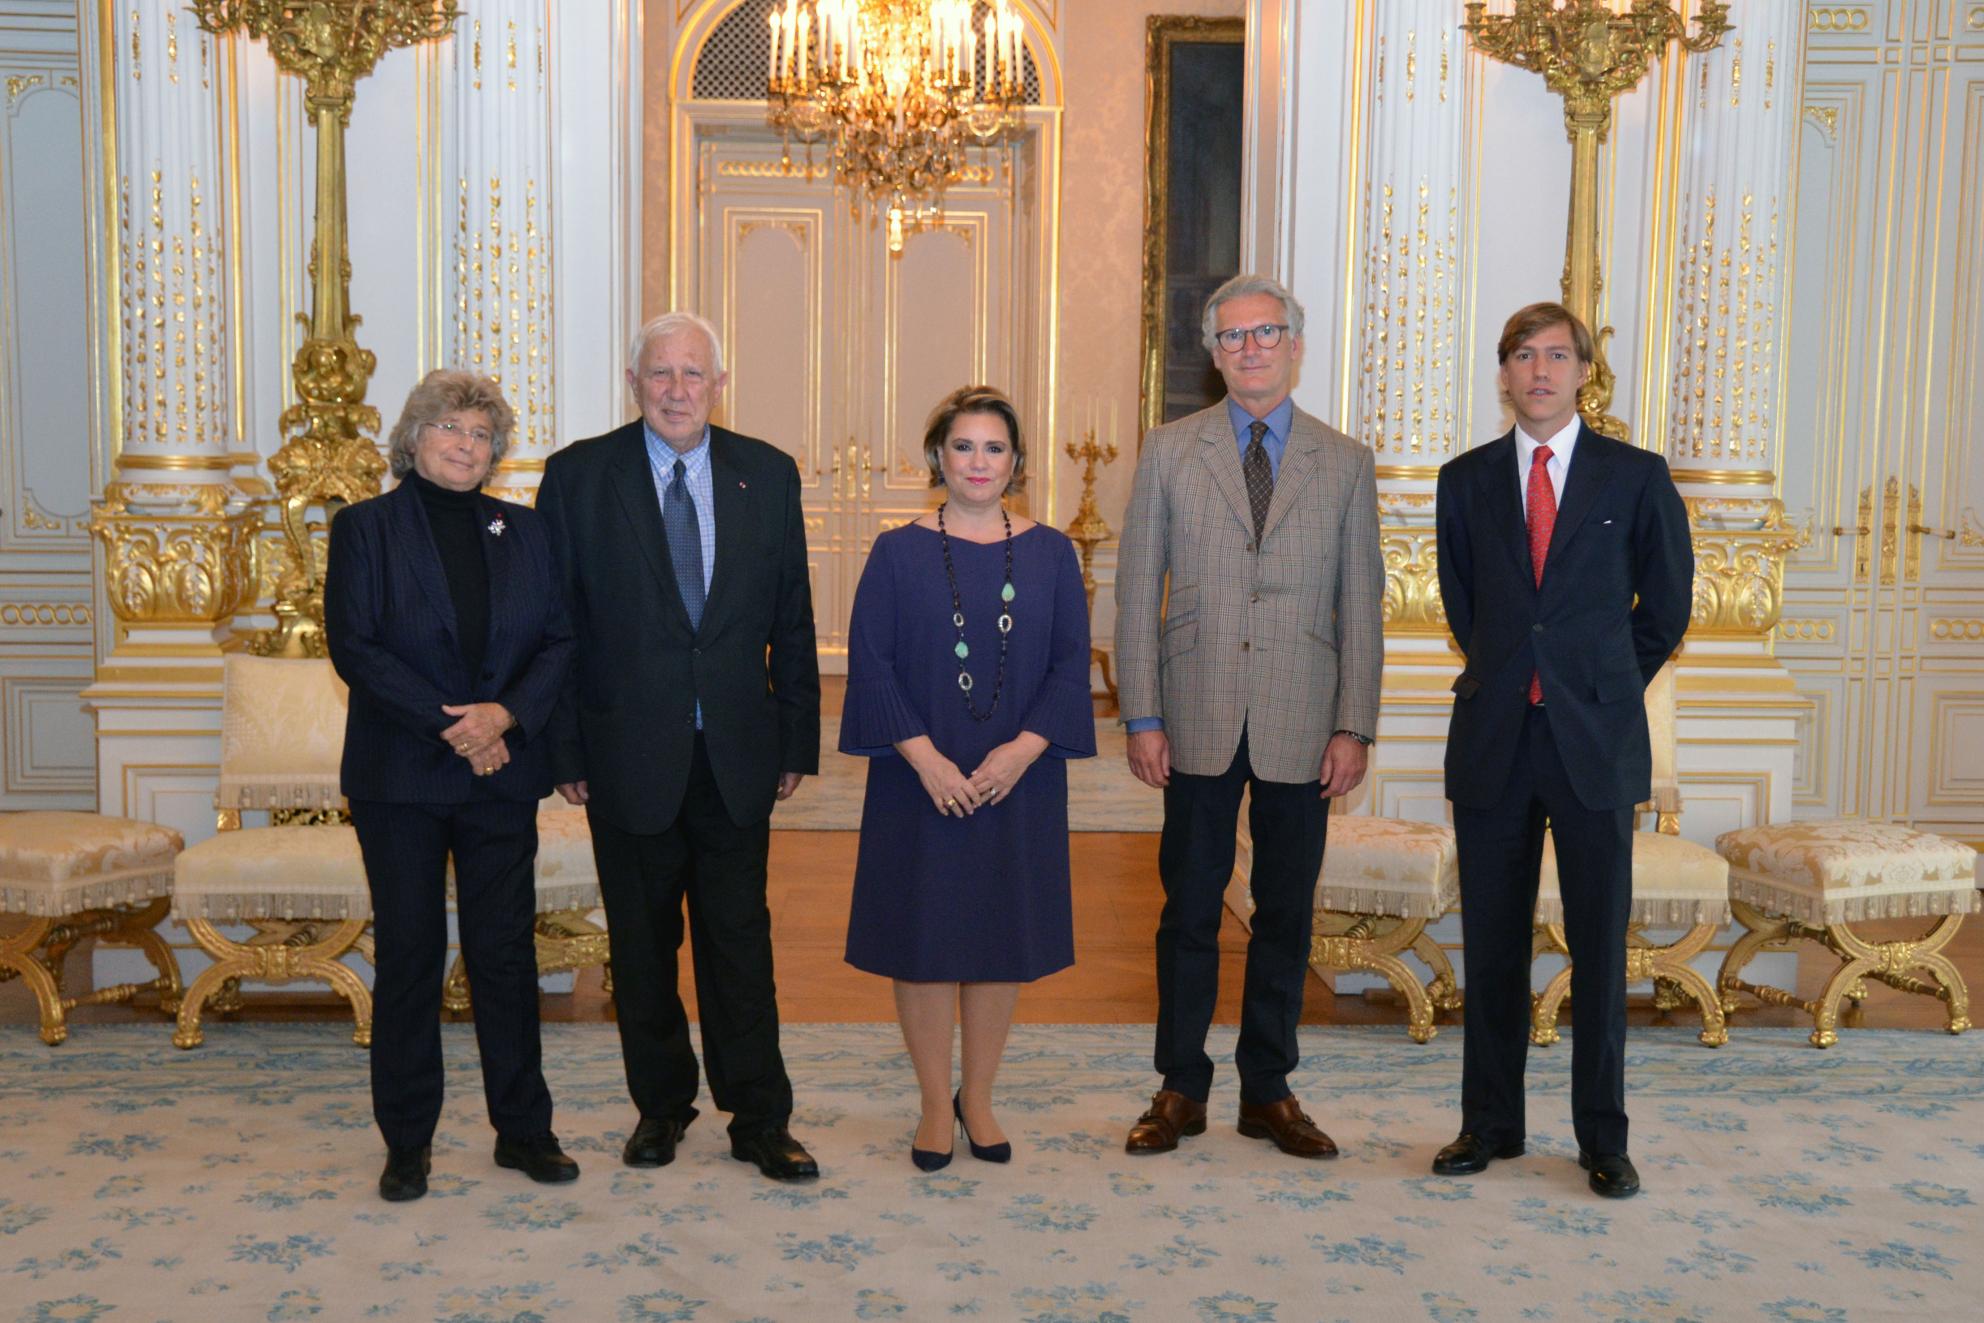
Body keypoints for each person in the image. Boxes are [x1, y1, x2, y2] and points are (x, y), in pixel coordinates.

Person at [535, 312, 823, 1181]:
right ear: (634, 384)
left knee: (741, 942)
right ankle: (661, 1106)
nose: (676, 389)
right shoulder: (580, 477)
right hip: (627, 755)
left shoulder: (766, 476)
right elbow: (556, 628)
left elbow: (793, 618)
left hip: (737, 752)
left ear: (718, 385)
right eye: (660, 374)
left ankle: (760, 1116)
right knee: (641, 946)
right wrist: (565, 749)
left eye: (693, 374)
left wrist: (797, 734)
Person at [1114, 273, 1384, 1159]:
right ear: (1214, 352)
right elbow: (1134, 588)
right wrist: (1140, 713)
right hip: (1190, 712)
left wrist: (1356, 725)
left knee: (1285, 913)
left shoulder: (1343, 461)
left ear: (1295, 346)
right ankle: (1180, 1085)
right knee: (1187, 908)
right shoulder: (1168, 449)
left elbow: (1362, 604)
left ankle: (1267, 1087)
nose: (1250, 349)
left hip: (1304, 720)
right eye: (1232, 337)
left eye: (1267, 333)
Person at [1430, 302, 1693, 1199]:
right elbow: (1469, 610)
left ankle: (1603, 1140)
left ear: (1582, 370)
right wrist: (1521, 669)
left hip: (1594, 742)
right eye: (1520, 356)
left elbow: (1664, 610)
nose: (1538, 371)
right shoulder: (1463, 480)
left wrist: (1598, 679)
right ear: (1501, 373)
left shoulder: (1636, 476)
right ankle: (1490, 1124)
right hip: (1496, 738)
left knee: (1598, 950)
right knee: (1493, 946)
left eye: (1555, 355)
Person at [324, 369, 578, 1202]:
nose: (466, 446)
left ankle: (524, 1130)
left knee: (505, 954)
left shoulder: (528, 532)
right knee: (410, 955)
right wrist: (456, 727)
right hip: (400, 777)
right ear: (415, 437)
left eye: (481, 435)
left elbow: (558, 641)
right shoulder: (365, 528)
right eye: (451, 429)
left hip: (500, 774)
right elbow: (356, 648)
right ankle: (407, 1142)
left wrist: (503, 716)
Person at [841, 386, 1096, 1170]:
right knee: (923, 941)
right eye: (963, 446)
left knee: (997, 939)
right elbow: (871, 663)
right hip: (919, 777)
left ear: (1016, 462)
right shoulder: (895, 551)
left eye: (994, 448)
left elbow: (1067, 663)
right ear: (937, 457)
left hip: (1016, 778)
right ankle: (931, 1103)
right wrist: (926, 760)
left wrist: (1021, 751)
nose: (979, 462)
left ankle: (977, 1095)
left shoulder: (1053, 551)